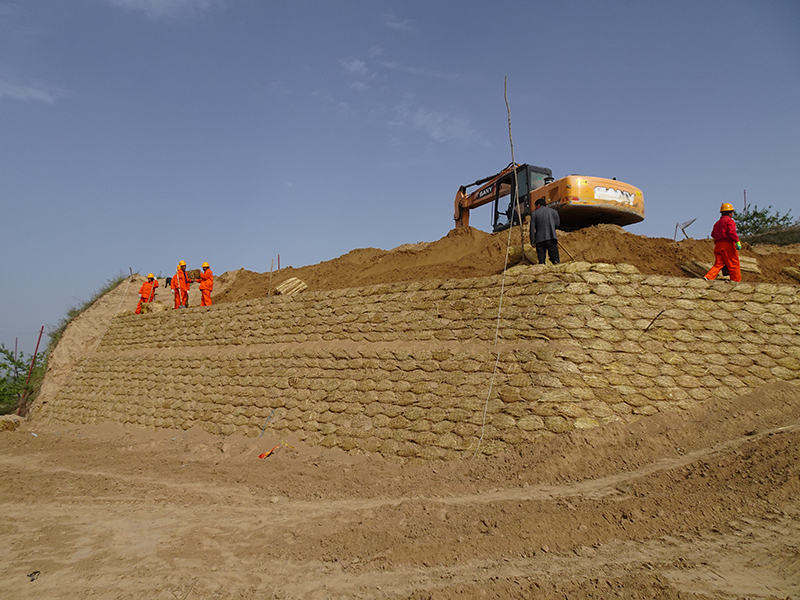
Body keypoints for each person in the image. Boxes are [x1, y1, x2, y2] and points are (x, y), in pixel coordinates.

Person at [704, 203, 742, 282]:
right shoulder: (730, 221)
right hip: (727, 245)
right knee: (733, 264)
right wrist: (737, 241)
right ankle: (736, 282)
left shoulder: (717, 223)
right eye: (732, 212)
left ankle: (708, 277)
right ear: (729, 213)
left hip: (718, 246)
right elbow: (732, 232)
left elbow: (713, 234)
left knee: (719, 264)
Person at [529, 197, 560, 265]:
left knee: (541, 261)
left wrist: (532, 241)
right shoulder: (554, 212)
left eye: (535, 206)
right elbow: (557, 224)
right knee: (555, 259)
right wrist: (551, 228)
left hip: (539, 240)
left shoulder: (534, 214)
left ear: (539, 205)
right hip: (551, 237)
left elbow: (532, 229)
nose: (535, 208)